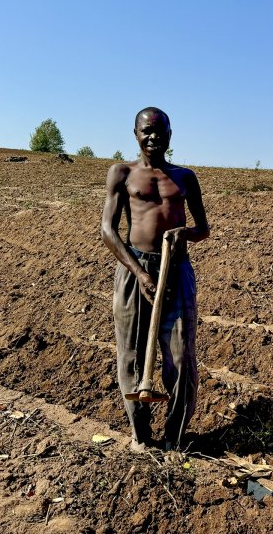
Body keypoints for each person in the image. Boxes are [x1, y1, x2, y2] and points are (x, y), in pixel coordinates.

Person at [101, 107, 209, 452]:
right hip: (135, 272)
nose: (153, 137)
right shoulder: (122, 174)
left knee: (181, 358)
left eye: (160, 131)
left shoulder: (185, 178)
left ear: (170, 135)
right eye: (146, 131)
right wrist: (140, 272)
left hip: (176, 272)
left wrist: (185, 233)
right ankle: (142, 438)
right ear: (135, 133)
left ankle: (175, 440)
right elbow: (107, 230)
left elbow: (203, 229)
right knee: (131, 358)